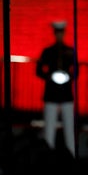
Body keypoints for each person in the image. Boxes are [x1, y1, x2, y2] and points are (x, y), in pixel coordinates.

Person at [36, 21, 77, 157]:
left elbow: (76, 71)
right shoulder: (48, 52)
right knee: (49, 128)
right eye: (57, 32)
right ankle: (48, 157)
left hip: (66, 94)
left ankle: (71, 156)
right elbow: (39, 70)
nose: (59, 35)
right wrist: (49, 76)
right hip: (51, 93)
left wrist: (68, 77)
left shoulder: (70, 51)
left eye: (61, 32)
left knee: (69, 128)